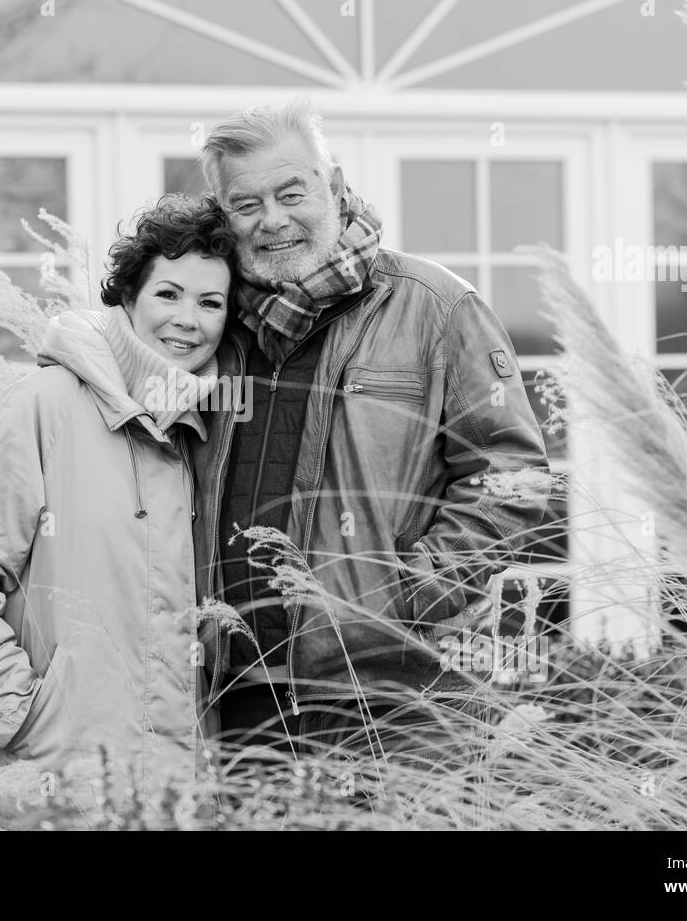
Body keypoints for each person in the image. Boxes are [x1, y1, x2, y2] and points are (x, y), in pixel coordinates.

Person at [190, 98, 551, 771]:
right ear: (224, 217)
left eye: (291, 191)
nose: (272, 219)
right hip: (238, 701)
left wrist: (410, 593)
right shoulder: (211, 328)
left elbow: (513, 476)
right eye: (247, 204)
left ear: (332, 185)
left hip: (395, 697)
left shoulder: (436, 307)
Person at [0, 194, 235, 823]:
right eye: (169, 294)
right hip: (47, 789)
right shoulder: (42, 406)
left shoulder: (206, 430)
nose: (188, 319)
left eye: (210, 302)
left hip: (166, 797)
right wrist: (26, 720)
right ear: (127, 299)